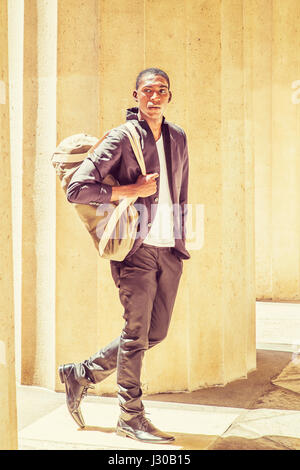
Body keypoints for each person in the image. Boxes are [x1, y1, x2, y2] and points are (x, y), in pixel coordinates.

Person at [59, 67, 190, 443]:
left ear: (169, 95)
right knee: (135, 333)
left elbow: (181, 189)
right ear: (135, 96)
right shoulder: (122, 137)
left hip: (169, 248)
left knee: (155, 332)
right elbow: (78, 188)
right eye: (147, 90)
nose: (154, 96)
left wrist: (181, 242)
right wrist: (129, 189)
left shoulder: (178, 137)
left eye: (162, 90)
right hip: (135, 248)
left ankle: (82, 374)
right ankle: (130, 416)